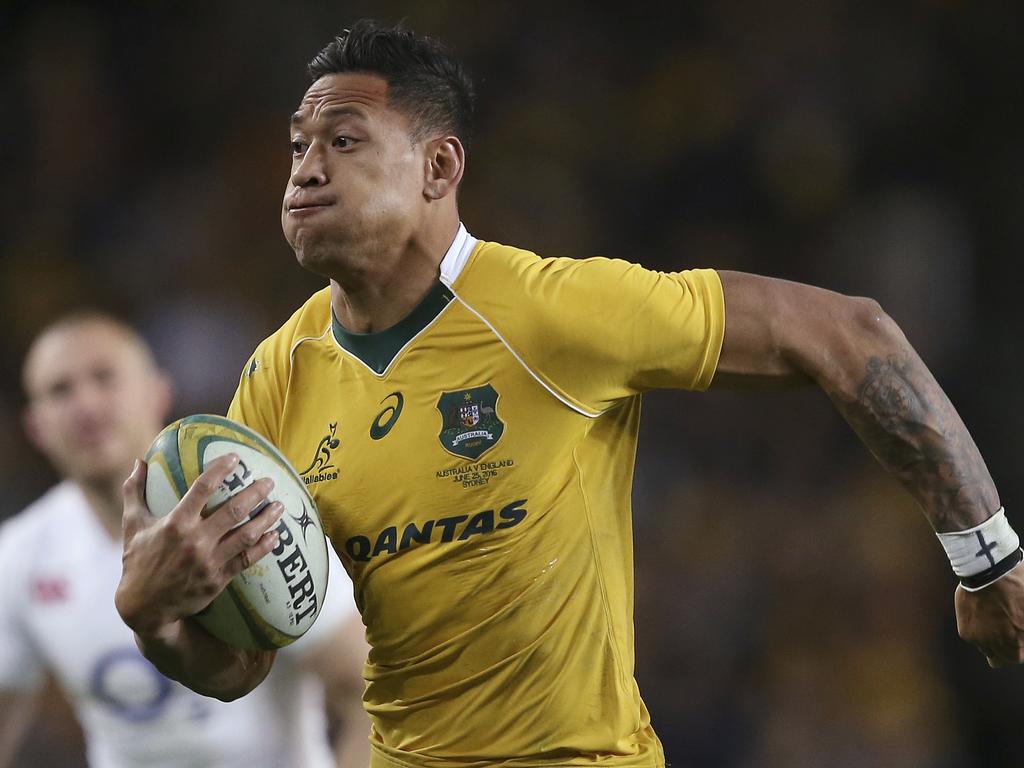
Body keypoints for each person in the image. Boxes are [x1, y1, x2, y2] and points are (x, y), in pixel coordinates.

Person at [113, 19, 1024, 768]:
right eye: (298, 147)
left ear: (439, 169)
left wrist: (987, 558)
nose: (304, 170)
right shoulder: (279, 375)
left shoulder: (551, 311)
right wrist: (150, 613)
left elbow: (850, 334)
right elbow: (241, 660)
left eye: (344, 142)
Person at [0, 312, 371, 768]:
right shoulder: (18, 556)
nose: (87, 406)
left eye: (105, 377)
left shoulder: (252, 509)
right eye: (60, 390)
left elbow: (361, 694)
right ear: (35, 425)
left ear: (158, 392)